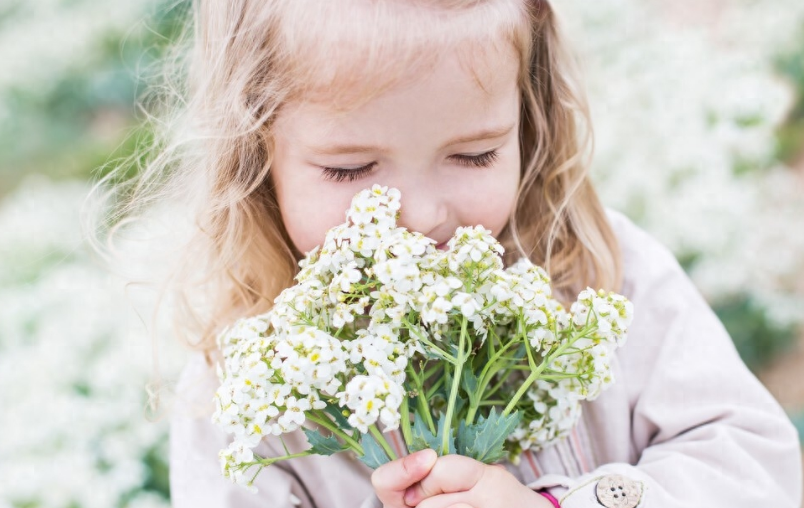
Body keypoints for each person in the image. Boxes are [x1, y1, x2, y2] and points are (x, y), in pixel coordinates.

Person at [107, 0, 802, 507]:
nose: (421, 215)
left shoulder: (602, 275)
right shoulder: (244, 389)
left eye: (473, 155)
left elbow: (759, 466)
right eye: (350, 171)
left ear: (529, 126)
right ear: (257, 158)